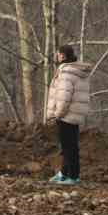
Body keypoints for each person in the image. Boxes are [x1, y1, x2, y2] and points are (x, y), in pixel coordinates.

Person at [44, 44, 91, 185]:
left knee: (68, 147)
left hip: (66, 115)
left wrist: (57, 114)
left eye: (58, 54)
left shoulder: (66, 73)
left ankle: (73, 176)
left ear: (62, 56)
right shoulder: (76, 71)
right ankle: (64, 173)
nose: (56, 56)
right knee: (69, 145)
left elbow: (64, 98)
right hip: (74, 114)